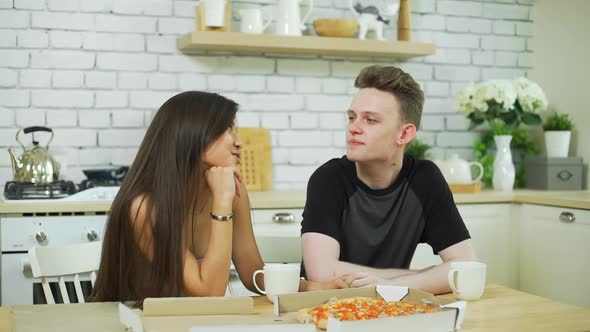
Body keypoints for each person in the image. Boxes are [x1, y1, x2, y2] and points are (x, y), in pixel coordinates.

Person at [92, 91, 346, 305]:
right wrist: (222, 204)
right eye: (228, 130)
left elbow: (253, 275)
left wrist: (315, 288)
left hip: (196, 322)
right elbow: (209, 292)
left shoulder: (231, 191)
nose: (239, 143)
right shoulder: (144, 207)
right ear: (193, 134)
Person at [301, 66, 477, 295]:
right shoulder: (328, 179)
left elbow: (467, 268)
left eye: (370, 120)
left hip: (391, 309)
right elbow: (323, 274)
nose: (353, 128)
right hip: (327, 309)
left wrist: (390, 286)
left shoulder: (425, 180)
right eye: (352, 117)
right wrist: (425, 276)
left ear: (404, 134)